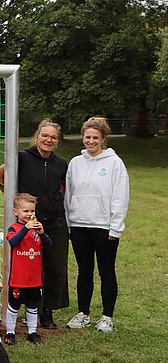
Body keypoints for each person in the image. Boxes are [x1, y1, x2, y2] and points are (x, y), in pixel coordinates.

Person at [0, 119, 69, 329]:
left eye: (53, 137)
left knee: (56, 267)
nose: (48, 139)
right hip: (28, 223)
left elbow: (63, 187)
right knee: (29, 266)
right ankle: (27, 308)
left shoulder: (61, 163)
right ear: (36, 137)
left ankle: (48, 310)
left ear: (57, 141)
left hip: (55, 222)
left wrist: (54, 203)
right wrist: (15, 202)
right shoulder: (21, 158)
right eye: (44, 135)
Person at [64, 117, 129, 334]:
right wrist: (69, 222)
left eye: (95, 138)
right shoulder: (75, 163)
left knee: (106, 272)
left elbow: (120, 196)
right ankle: (83, 314)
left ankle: (107, 317)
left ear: (103, 139)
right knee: (84, 271)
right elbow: (69, 195)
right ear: (83, 137)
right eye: (87, 137)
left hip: (104, 227)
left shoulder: (114, 163)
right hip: (79, 225)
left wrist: (115, 226)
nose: (90, 141)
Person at [3, 193, 52, 345]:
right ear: (16, 212)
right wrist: (25, 228)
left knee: (33, 305)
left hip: (34, 278)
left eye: (32, 211)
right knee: (14, 305)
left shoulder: (36, 229)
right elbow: (13, 242)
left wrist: (42, 233)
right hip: (18, 278)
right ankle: (10, 332)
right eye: (26, 211)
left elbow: (49, 245)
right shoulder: (14, 228)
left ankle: (32, 332)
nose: (30, 215)